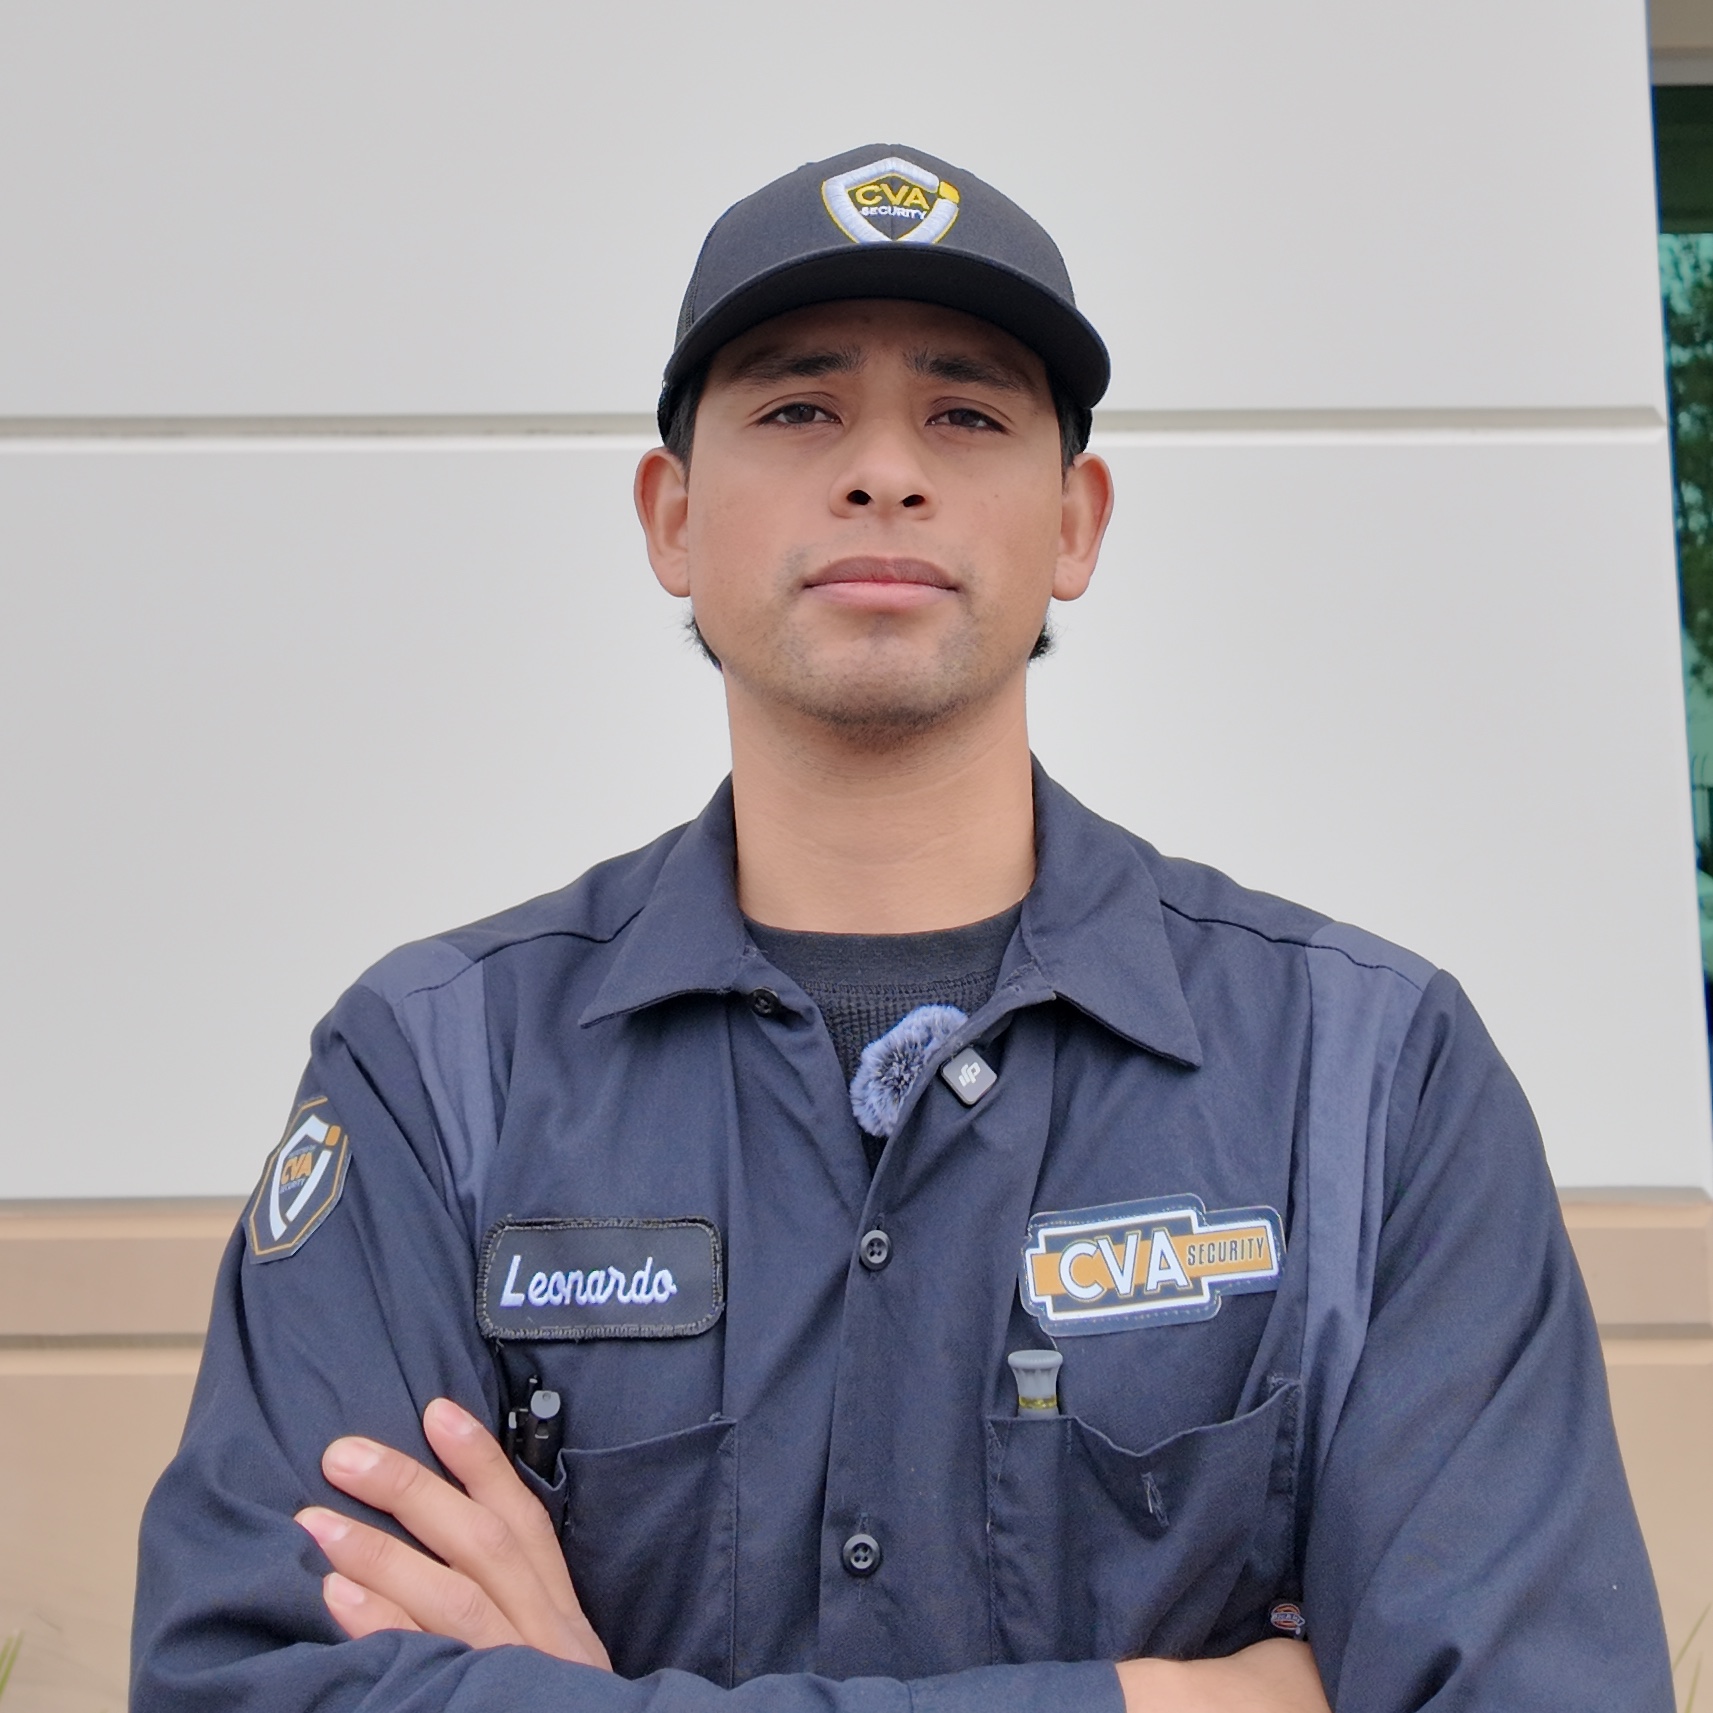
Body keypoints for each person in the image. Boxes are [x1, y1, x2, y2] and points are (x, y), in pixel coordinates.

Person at [131, 144, 1673, 1713]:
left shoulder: (1369, 1085)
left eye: (967, 412)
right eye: (798, 408)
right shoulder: (434, 1077)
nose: (882, 468)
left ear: (1074, 521)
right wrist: (1172, 1699)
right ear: (670, 517)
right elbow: (252, 1686)